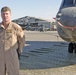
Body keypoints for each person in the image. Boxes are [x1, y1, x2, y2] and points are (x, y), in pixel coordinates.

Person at [0, 6, 25, 75]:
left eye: (7, 14)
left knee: (13, 73)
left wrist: (18, 51)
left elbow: (22, 40)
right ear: (1, 15)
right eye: (3, 14)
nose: (5, 16)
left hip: (12, 55)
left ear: (10, 14)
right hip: (0, 55)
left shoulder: (16, 27)